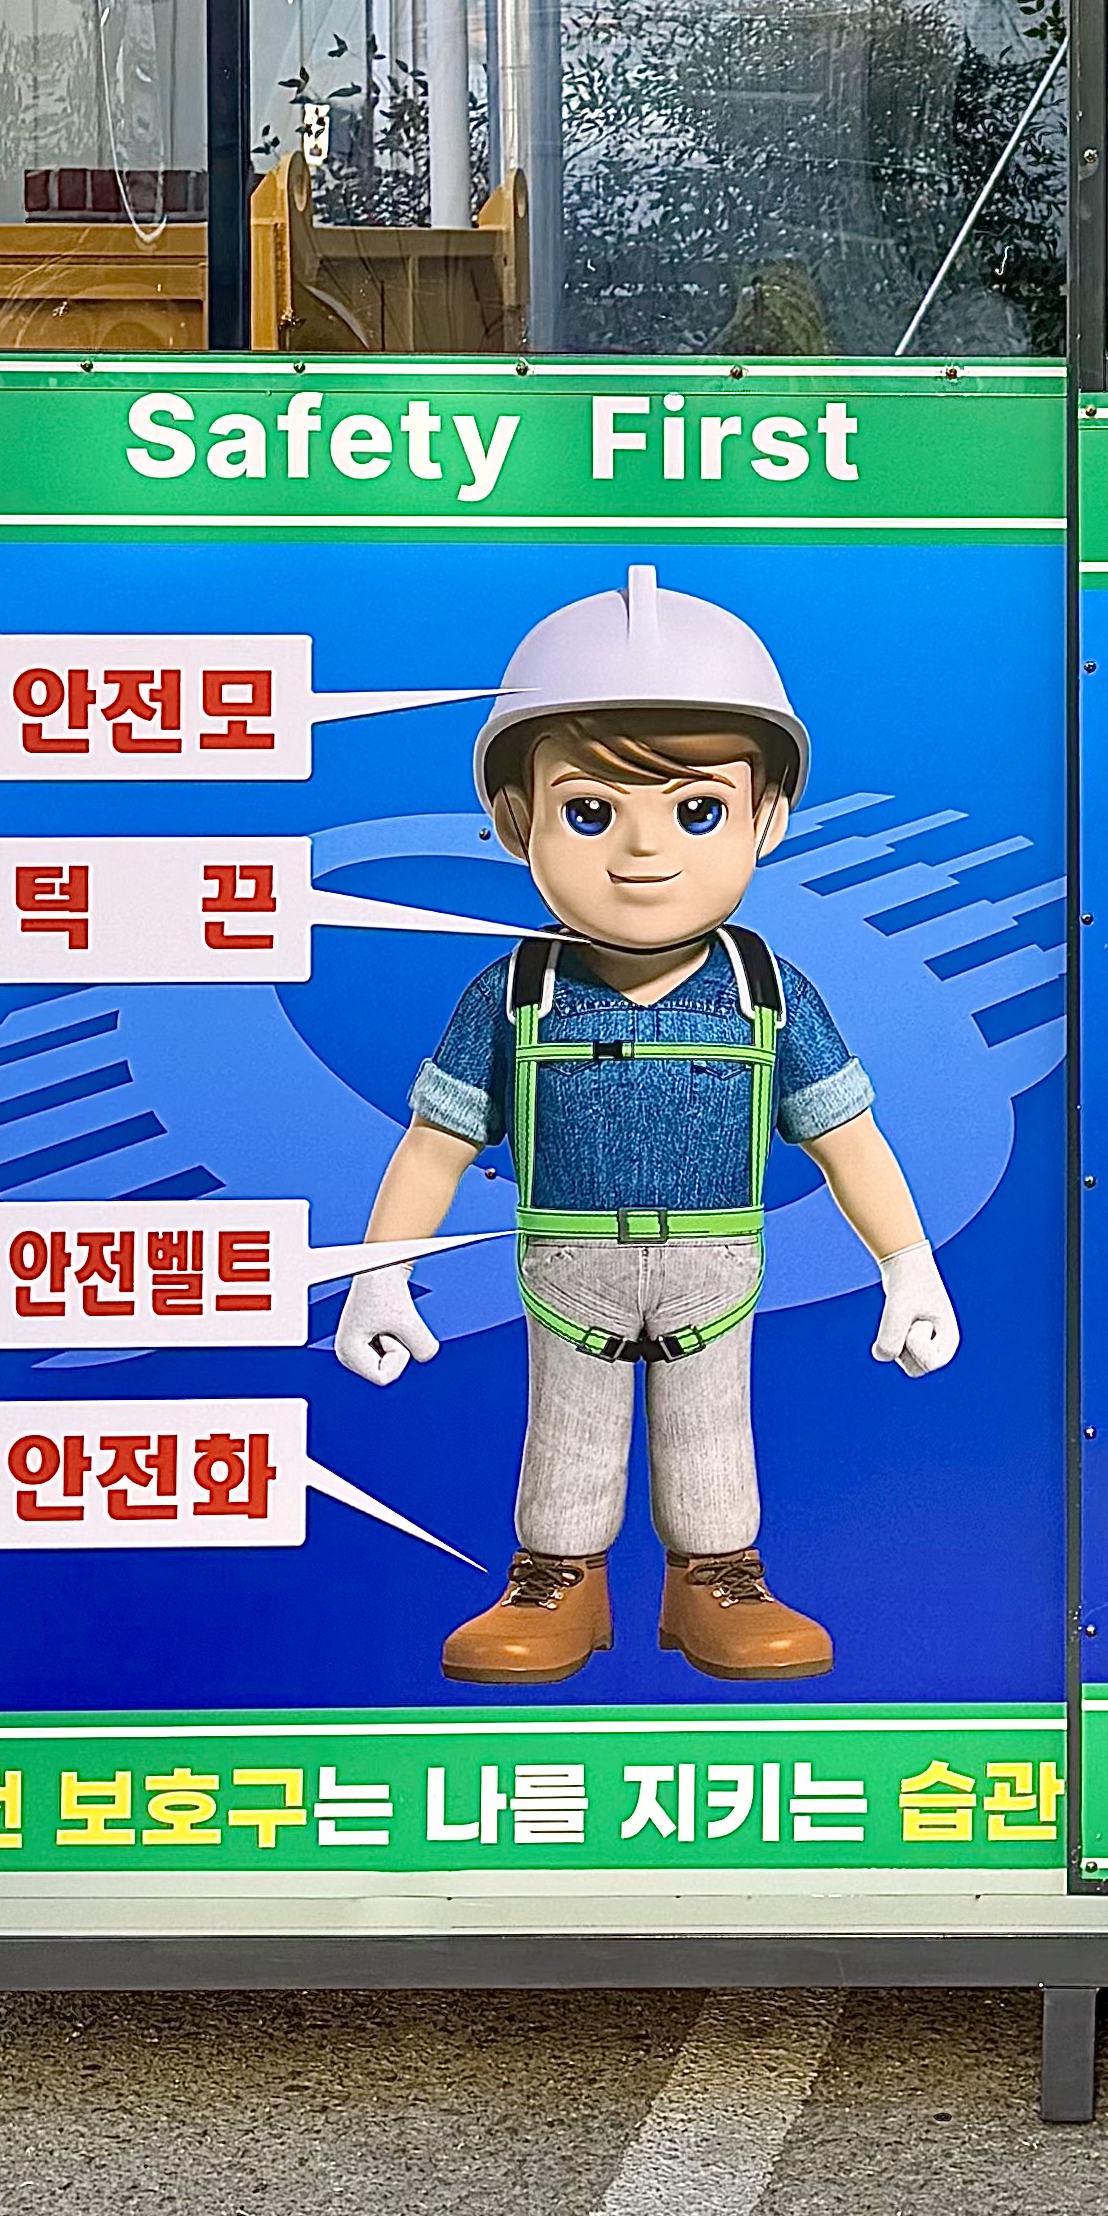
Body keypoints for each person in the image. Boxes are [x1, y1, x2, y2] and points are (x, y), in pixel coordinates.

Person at [333, 568, 959, 1689]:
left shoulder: (770, 993)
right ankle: (557, 1583)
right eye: (590, 812)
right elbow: (434, 1144)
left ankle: (717, 1579)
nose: (641, 851)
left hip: (715, 1265)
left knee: (712, 1432)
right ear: (517, 820)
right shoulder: (513, 995)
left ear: (766, 818)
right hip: (565, 1267)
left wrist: (908, 1267)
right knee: (566, 1432)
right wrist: (379, 1279)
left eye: (697, 810)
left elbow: (848, 1139)